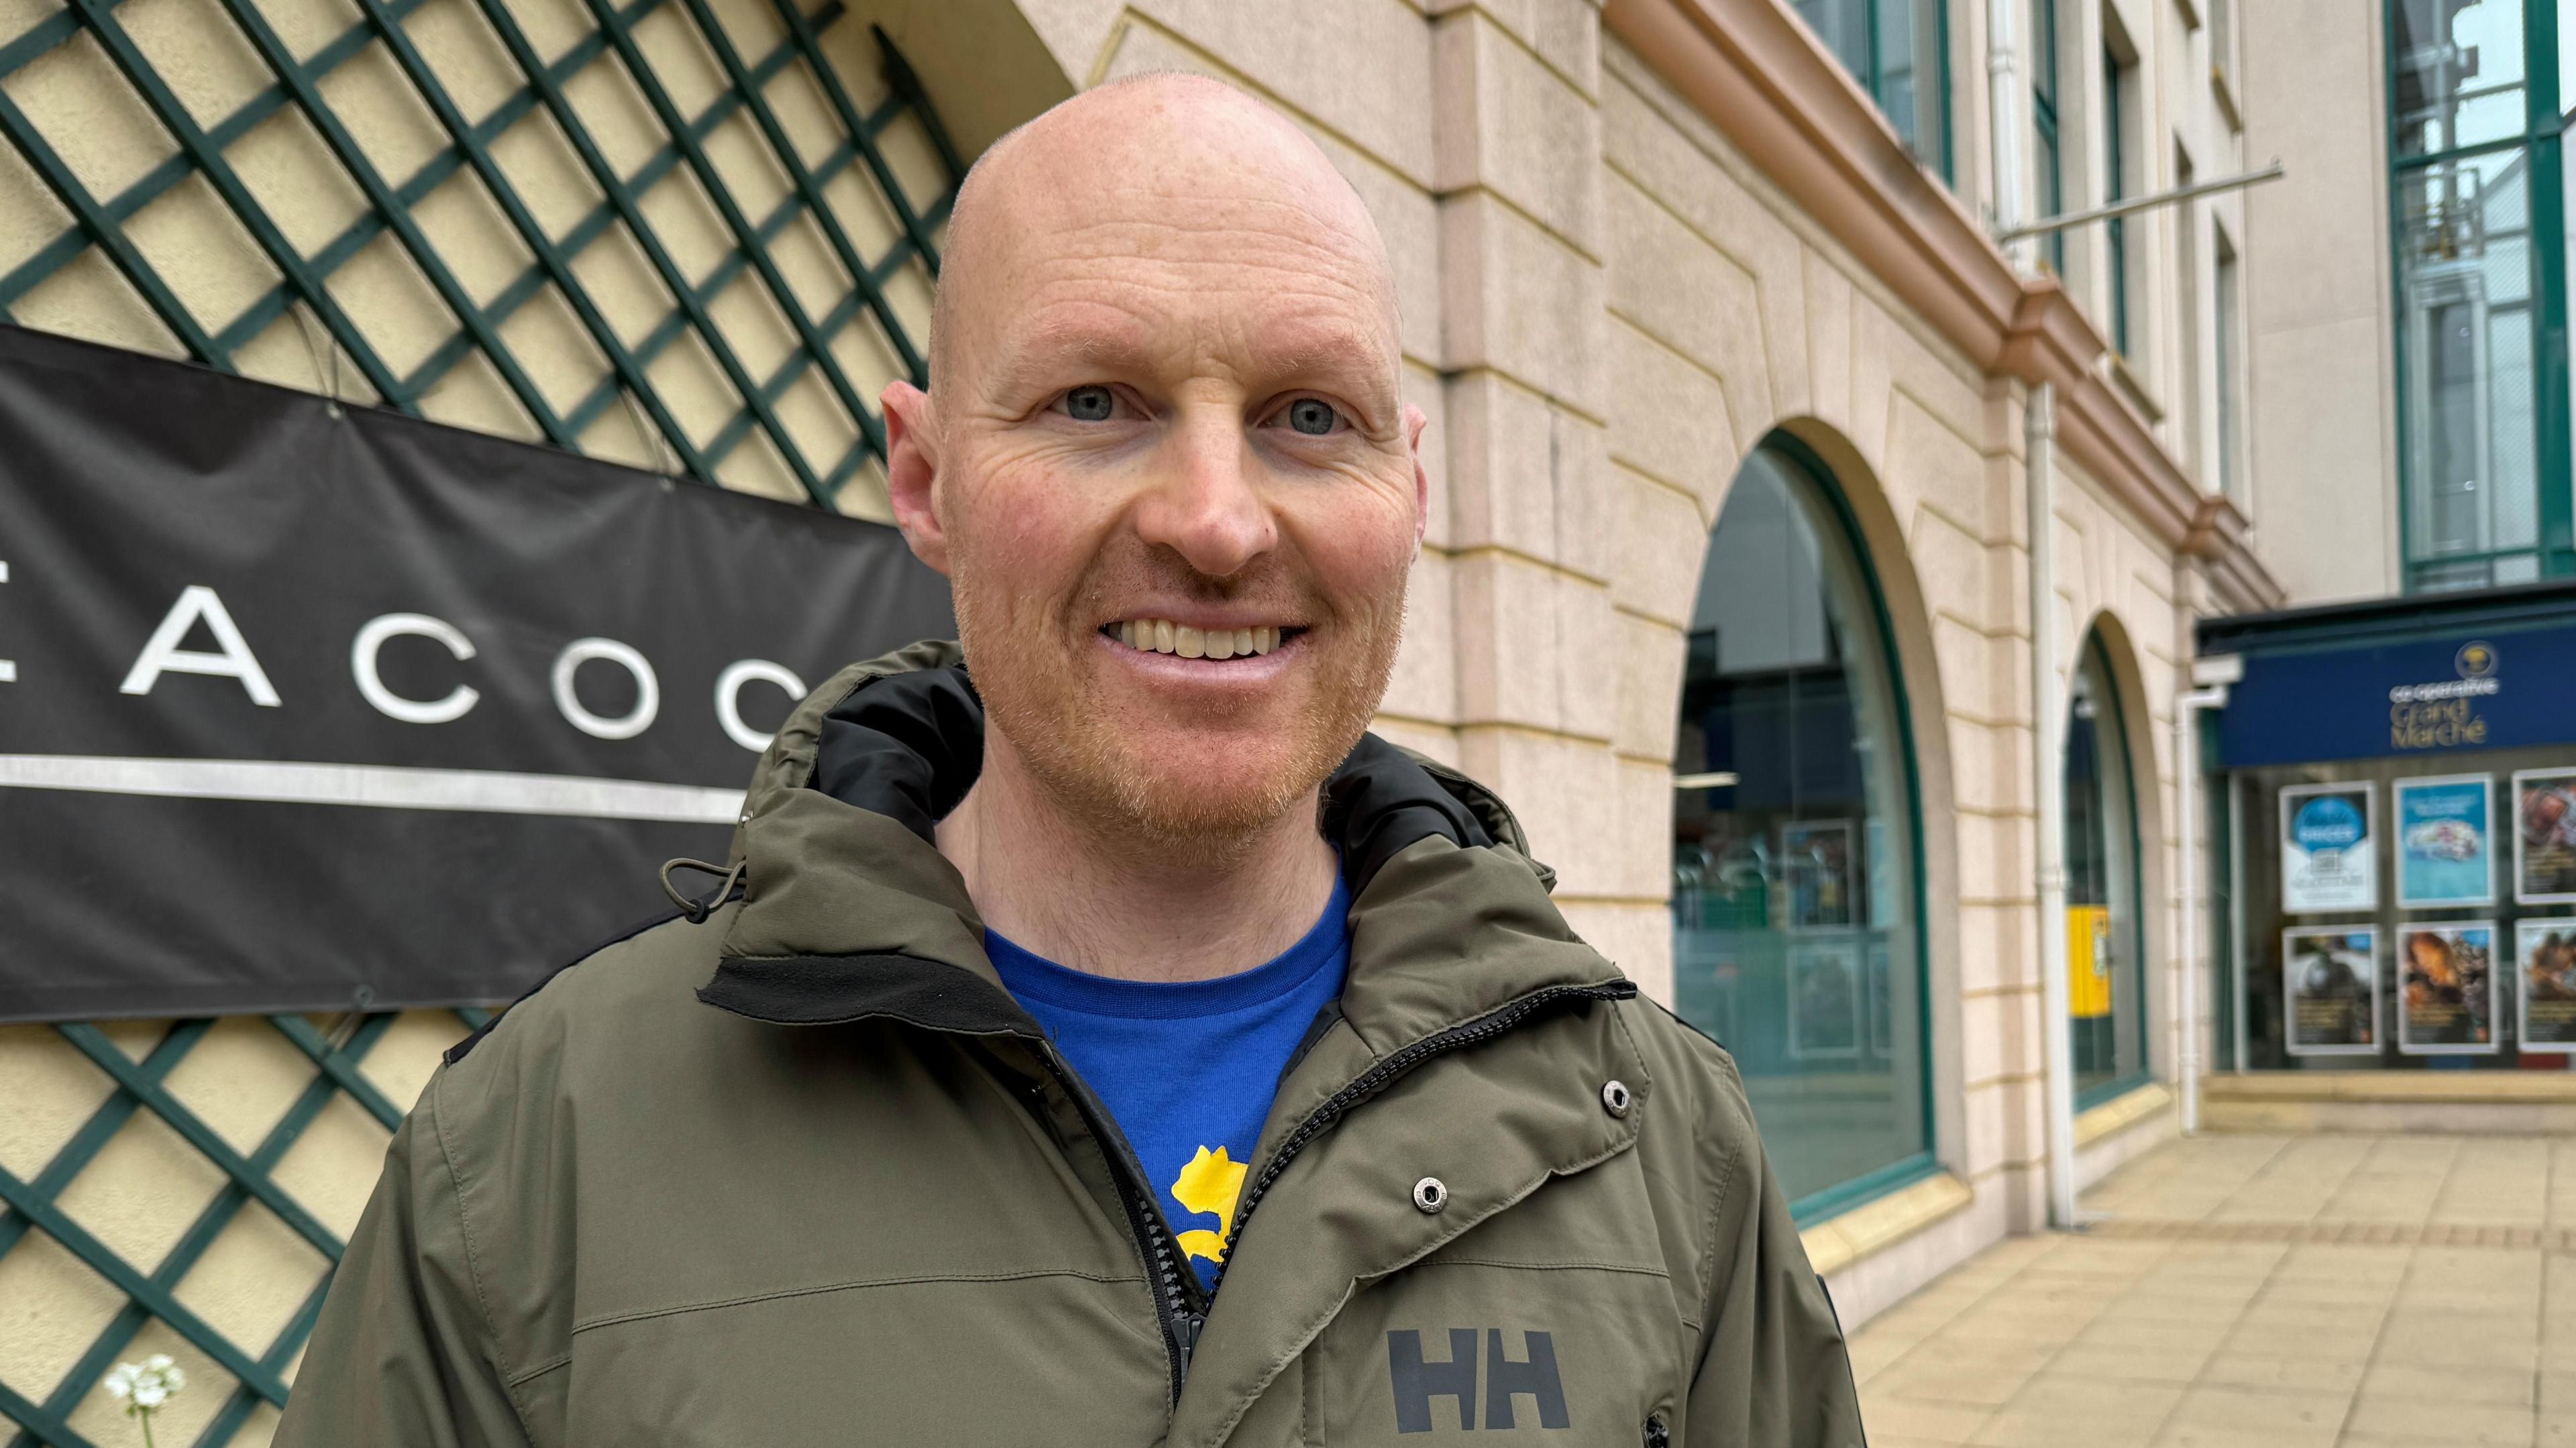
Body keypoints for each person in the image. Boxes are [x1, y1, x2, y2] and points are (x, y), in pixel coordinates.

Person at [276, 73, 1864, 1446]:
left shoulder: (1661, 1144)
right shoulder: (540, 1160)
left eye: (1311, 415)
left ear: (1411, 490)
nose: (1219, 520)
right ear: (926, 477)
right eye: (1096, 401)